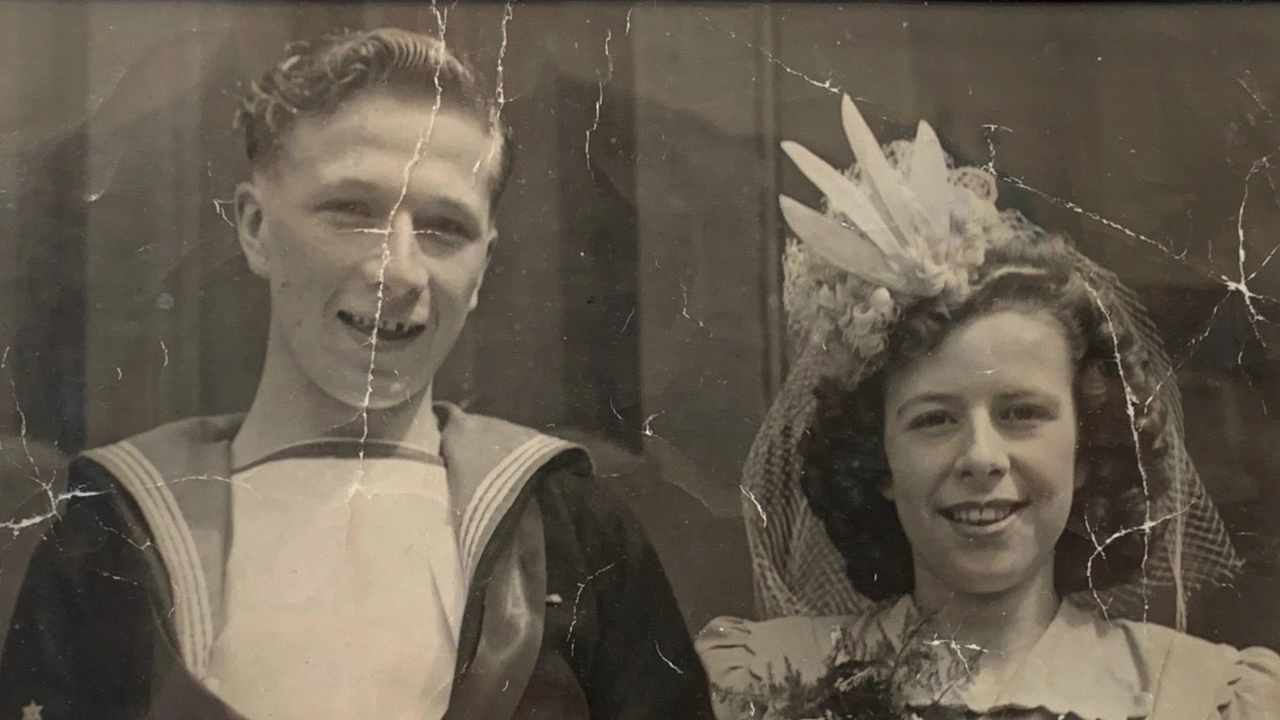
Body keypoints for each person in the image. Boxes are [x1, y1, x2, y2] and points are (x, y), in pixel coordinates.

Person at [0, 28, 712, 720]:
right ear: (254, 229)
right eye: (350, 211)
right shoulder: (109, 533)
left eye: (445, 228)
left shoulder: (571, 529)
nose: (397, 271)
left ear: (486, 262)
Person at [696, 96, 1280, 719]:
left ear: (1089, 447)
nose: (981, 457)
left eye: (1022, 413)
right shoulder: (769, 680)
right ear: (878, 463)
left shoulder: (1204, 696)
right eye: (934, 419)